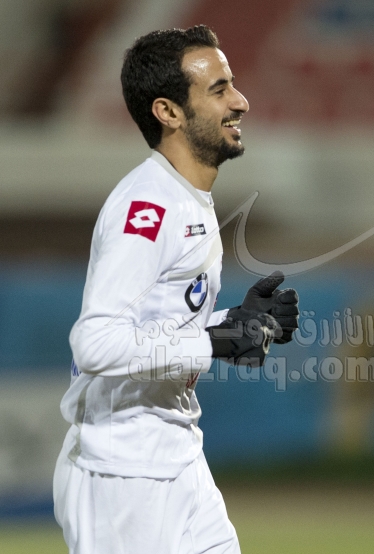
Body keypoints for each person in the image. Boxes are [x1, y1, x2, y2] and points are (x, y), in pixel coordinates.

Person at [53, 25, 299, 554]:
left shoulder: (186, 198)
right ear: (168, 112)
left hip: (176, 455)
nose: (240, 102)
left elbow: (158, 326)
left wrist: (236, 323)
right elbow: (95, 343)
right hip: (120, 475)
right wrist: (212, 342)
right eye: (219, 90)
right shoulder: (145, 210)